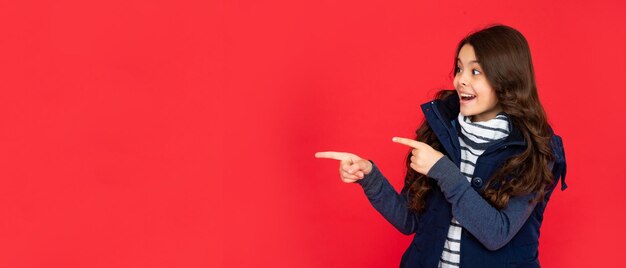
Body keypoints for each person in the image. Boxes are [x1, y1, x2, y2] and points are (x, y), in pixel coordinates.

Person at [315, 25, 567, 268]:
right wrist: (369, 176)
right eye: (459, 69)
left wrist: (441, 169)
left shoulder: (536, 152)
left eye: (475, 72)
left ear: (506, 80)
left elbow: (496, 233)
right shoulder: (439, 133)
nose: (460, 81)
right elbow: (410, 219)